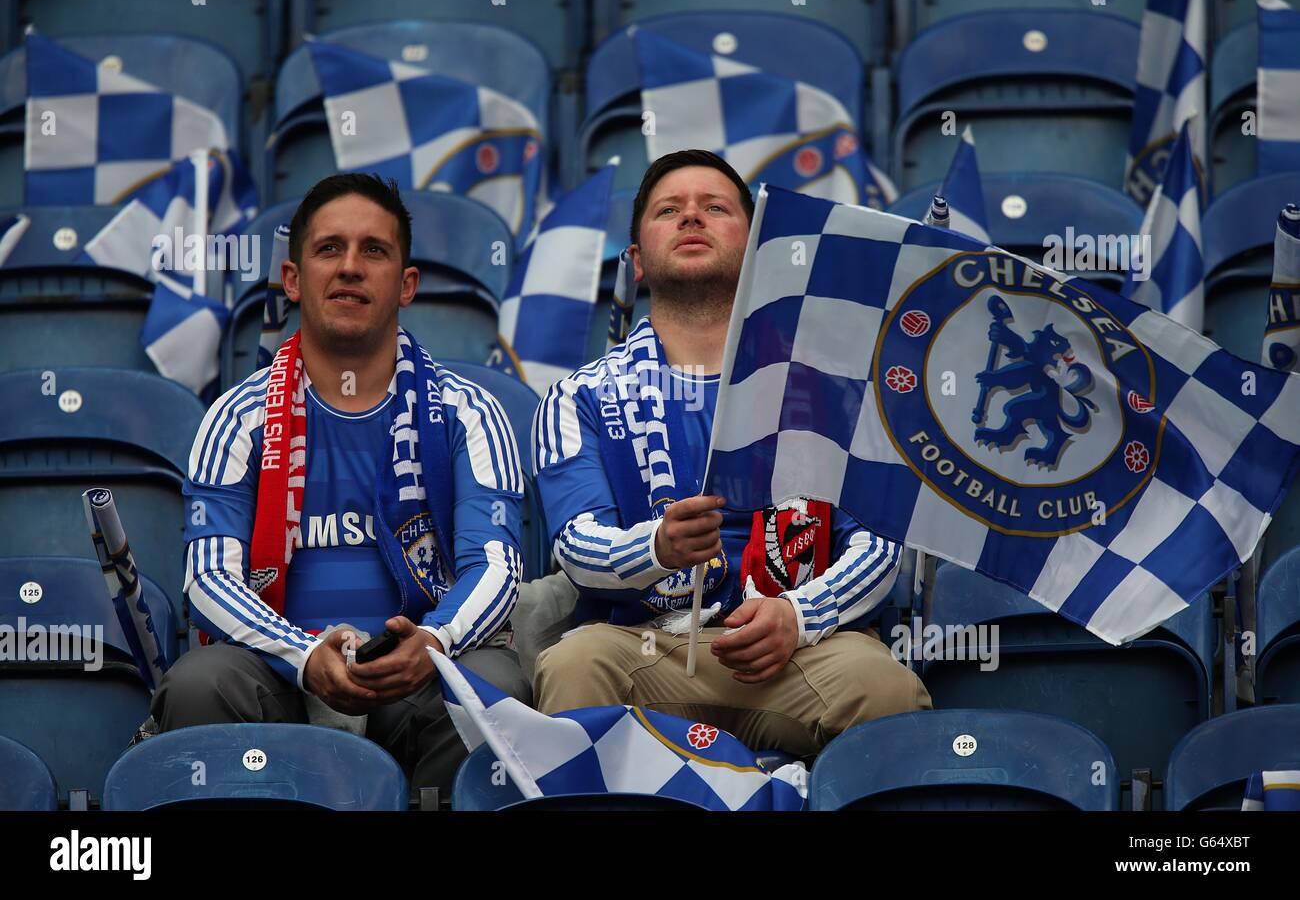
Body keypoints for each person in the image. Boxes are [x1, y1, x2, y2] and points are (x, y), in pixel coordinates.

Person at [530, 150, 931, 757]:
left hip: (806, 650)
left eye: (715, 208)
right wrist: (656, 549)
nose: (692, 217)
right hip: (646, 647)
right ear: (636, 262)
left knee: (885, 688)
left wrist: (798, 615)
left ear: (758, 254)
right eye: (670, 210)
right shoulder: (578, 396)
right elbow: (576, 546)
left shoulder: (836, 387)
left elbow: (880, 545)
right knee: (575, 665)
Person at [152, 173, 529, 793]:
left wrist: (434, 639)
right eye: (329, 249)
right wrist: (303, 656)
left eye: (373, 251)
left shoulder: (470, 413)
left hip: (420, 674)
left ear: (407, 285)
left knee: (497, 686)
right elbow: (208, 578)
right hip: (277, 673)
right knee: (200, 682)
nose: (350, 267)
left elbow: (495, 566)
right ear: (294, 279)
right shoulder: (235, 417)